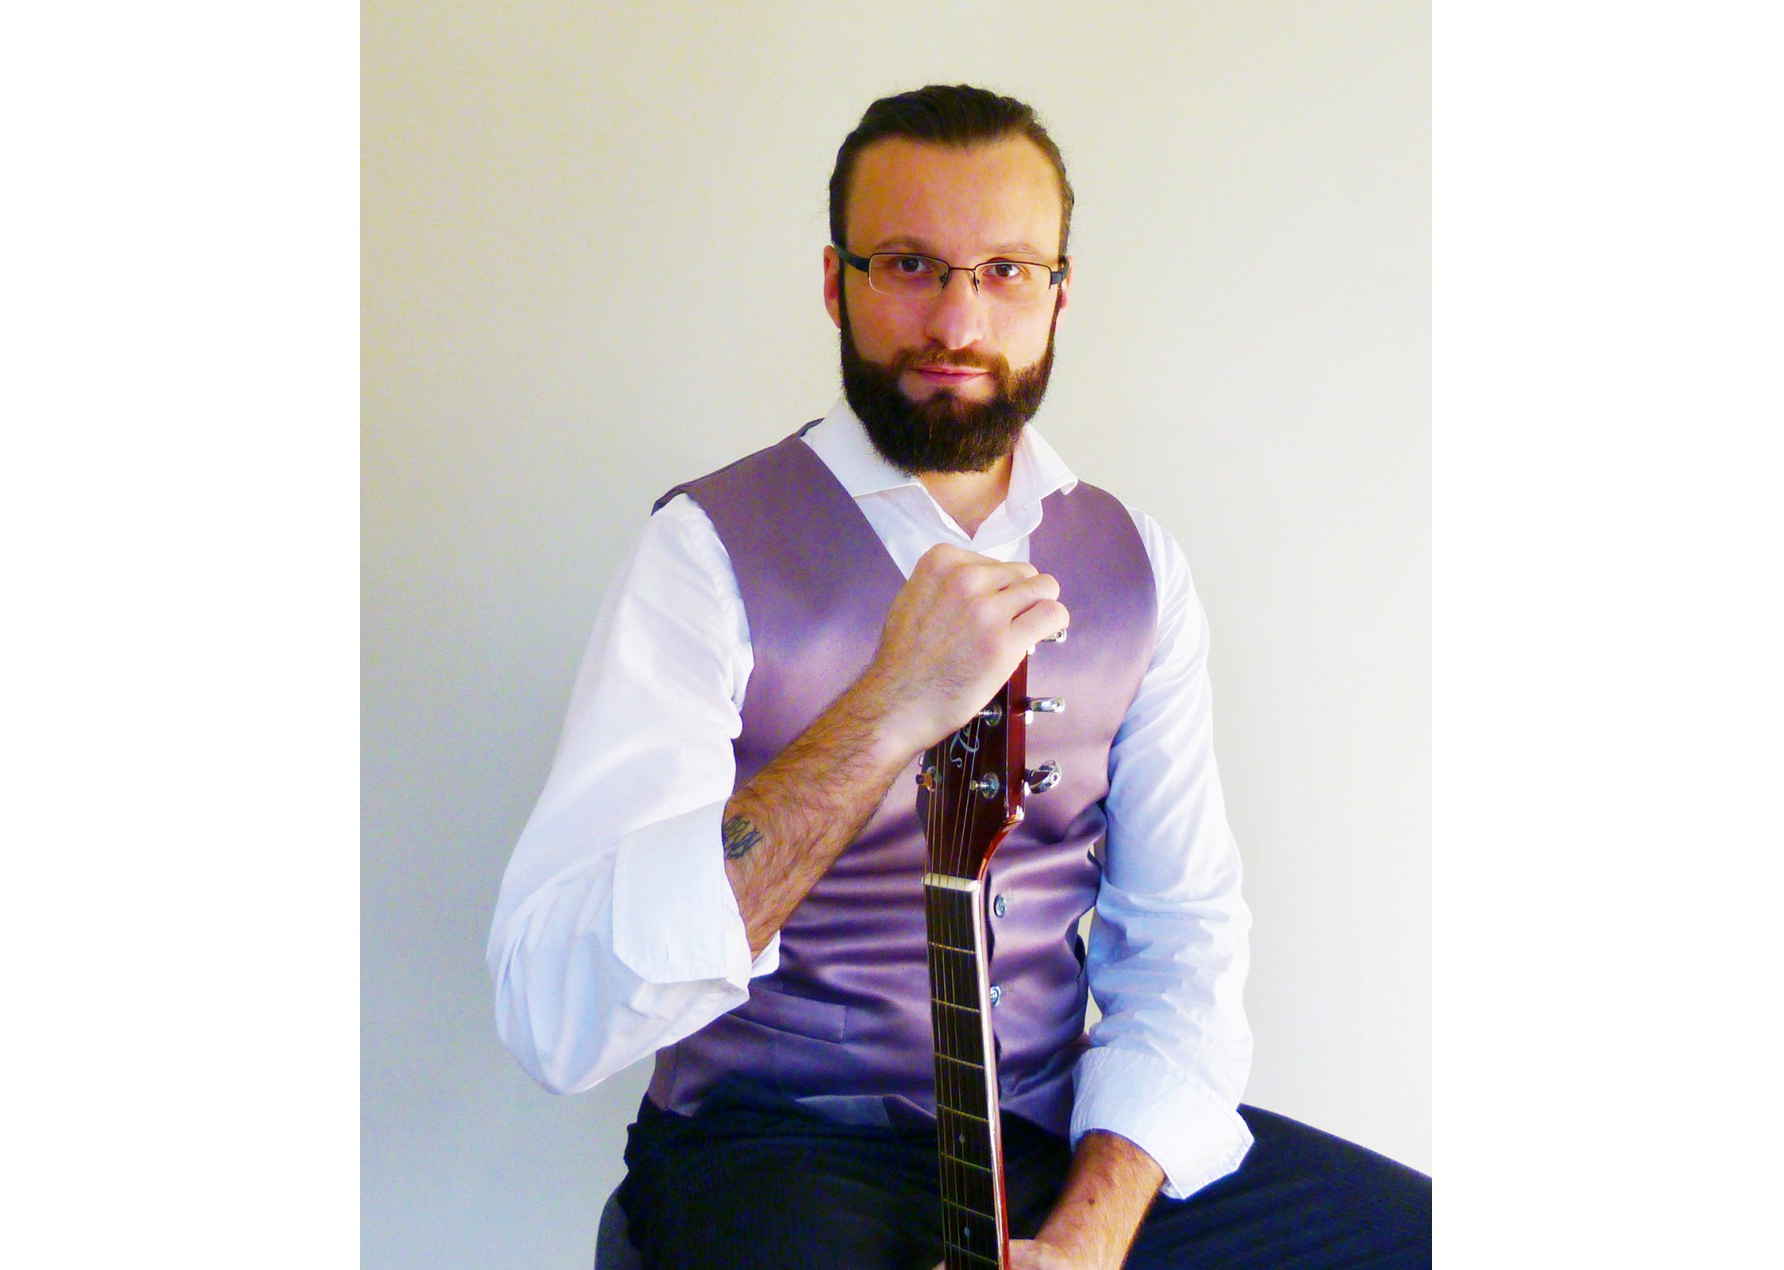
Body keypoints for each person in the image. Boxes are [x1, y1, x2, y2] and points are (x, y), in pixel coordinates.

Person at [489, 84, 1429, 1268]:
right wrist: (886, 709)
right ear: (836, 283)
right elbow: (554, 1017)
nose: (957, 320)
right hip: (777, 1144)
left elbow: (1182, 946)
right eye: (909, 265)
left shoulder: (1136, 569)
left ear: (1059, 294)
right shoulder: (705, 551)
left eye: (1005, 271)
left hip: (1051, 1138)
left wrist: (1088, 1238)